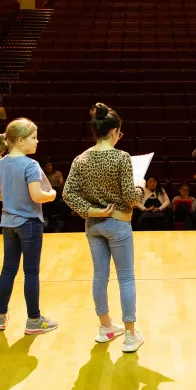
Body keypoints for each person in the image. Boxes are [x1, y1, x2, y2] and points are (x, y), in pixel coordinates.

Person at [63, 103, 146, 353]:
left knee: (100, 276)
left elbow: (68, 194)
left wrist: (91, 211)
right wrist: (141, 187)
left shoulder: (81, 158)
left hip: (93, 225)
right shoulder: (121, 157)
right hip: (119, 223)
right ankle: (130, 335)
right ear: (114, 132)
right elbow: (130, 196)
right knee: (126, 277)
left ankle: (106, 327)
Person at [0, 117, 58, 335]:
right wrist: (52, 194)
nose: (37, 141)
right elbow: (37, 195)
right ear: (20, 140)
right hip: (29, 223)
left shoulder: (0, 164)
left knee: (8, 269)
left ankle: (0, 317)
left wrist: (10, 200)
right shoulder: (30, 165)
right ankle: (34, 320)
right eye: (34, 137)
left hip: (8, 223)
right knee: (31, 272)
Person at [42, 161, 70, 232]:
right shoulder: (43, 174)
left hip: (57, 194)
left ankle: (58, 223)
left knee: (59, 203)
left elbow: (62, 184)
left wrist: (59, 182)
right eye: (46, 166)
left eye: (49, 165)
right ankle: (46, 221)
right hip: (46, 196)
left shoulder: (57, 173)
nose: (48, 167)